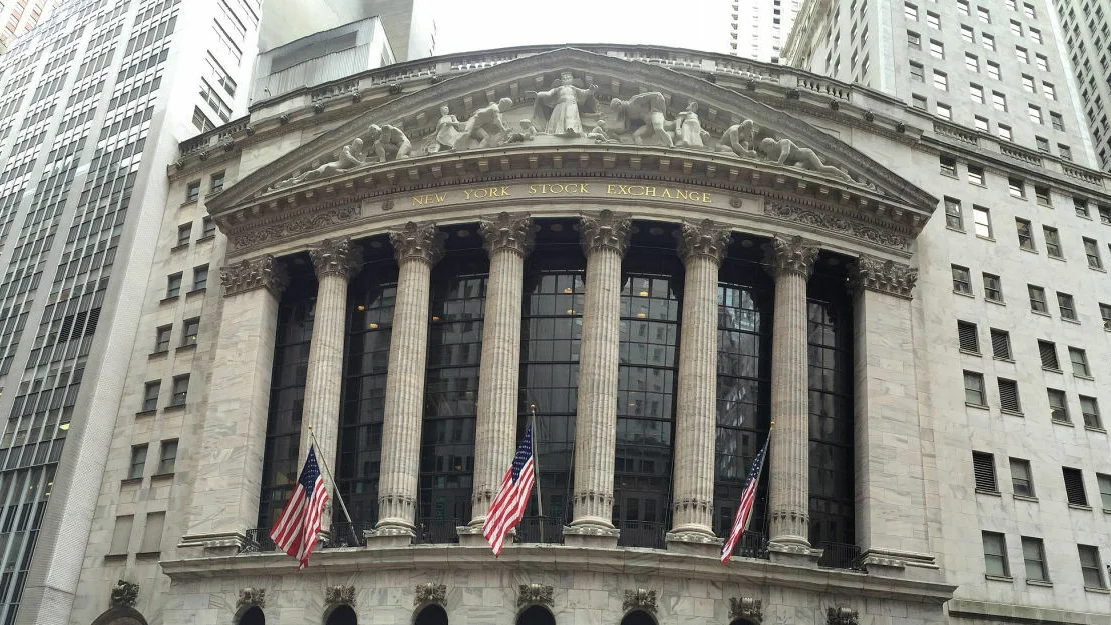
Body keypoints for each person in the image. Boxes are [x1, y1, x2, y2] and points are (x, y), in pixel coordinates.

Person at [273, 138, 366, 188]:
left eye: (359, 146)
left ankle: (297, 180)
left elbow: (361, 158)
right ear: (353, 143)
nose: (357, 147)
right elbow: (349, 157)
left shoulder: (357, 152)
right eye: (357, 144)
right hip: (332, 165)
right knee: (315, 173)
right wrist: (359, 163)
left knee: (314, 174)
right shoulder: (347, 148)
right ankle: (295, 181)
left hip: (338, 168)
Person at [531, 73, 597, 137]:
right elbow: (548, 94)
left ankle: (571, 129)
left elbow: (584, 92)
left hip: (571, 104)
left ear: (572, 80)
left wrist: (591, 90)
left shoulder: (573, 88)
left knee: (570, 116)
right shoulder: (559, 88)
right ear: (561, 81)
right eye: (564, 78)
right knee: (560, 118)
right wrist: (538, 94)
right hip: (560, 105)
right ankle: (560, 131)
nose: (566, 79)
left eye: (568, 78)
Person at [758, 137, 852, 181]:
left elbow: (785, 153)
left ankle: (845, 176)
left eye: (765, 149)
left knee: (821, 168)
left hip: (807, 155)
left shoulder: (783, 142)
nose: (766, 151)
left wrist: (778, 163)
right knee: (796, 168)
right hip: (800, 162)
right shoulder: (773, 152)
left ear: (770, 145)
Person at [608, 92, 673, 147]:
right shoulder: (627, 115)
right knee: (635, 135)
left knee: (658, 129)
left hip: (655, 114)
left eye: (616, 110)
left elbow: (657, 95)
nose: (617, 112)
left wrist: (651, 111)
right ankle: (640, 149)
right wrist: (614, 133)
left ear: (619, 104)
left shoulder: (634, 101)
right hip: (649, 125)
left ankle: (671, 145)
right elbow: (626, 128)